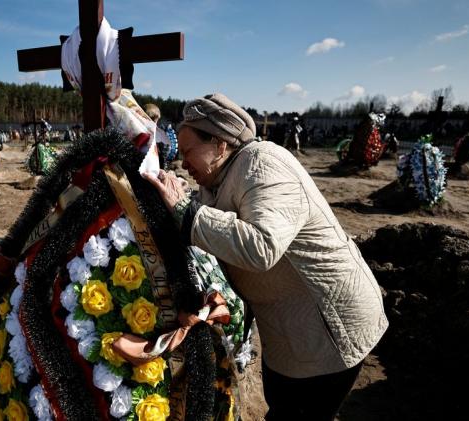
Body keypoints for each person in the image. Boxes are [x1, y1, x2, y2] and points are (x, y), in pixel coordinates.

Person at [143, 93, 388, 420]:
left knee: (302, 413)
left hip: (330, 327)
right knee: (282, 404)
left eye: (188, 152)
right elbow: (214, 244)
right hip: (289, 328)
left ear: (219, 143)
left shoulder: (262, 163)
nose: (183, 163)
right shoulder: (215, 182)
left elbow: (262, 246)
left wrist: (188, 213)